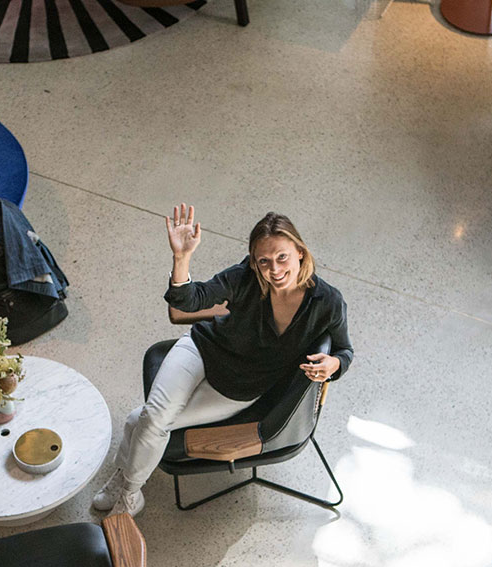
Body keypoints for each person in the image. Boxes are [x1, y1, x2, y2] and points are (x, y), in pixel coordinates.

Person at [93, 204, 354, 516]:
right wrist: (182, 258)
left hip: (237, 387)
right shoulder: (244, 277)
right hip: (201, 348)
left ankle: (125, 482)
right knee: (154, 418)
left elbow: (344, 351)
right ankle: (130, 493)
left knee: (140, 420)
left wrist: (332, 366)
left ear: (299, 252)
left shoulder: (327, 302)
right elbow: (190, 300)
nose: (274, 270)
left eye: (282, 257)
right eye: (264, 261)